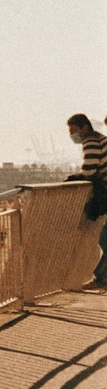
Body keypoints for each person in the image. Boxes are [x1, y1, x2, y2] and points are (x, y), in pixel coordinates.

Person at [66, 112, 107, 289]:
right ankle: (102, 278)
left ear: (85, 127)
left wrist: (76, 177)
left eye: (74, 131)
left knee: (105, 239)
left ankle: (101, 279)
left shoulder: (90, 141)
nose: (72, 135)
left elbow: (89, 169)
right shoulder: (100, 139)